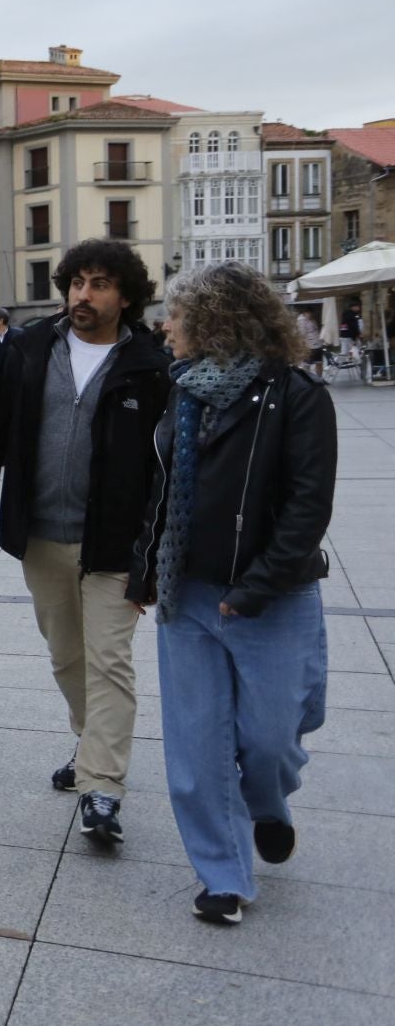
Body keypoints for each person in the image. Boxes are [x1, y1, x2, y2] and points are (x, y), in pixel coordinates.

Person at [127, 263, 335, 925]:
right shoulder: (181, 392)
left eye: (179, 316)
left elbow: (308, 508)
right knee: (195, 748)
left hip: (270, 599)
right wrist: (144, 572)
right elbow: (161, 492)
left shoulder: (296, 396)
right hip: (187, 595)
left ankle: (268, 803)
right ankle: (223, 876)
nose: (168, 327)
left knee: (271, 741)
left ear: (216, 320)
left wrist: (254, 588)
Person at [0, 241, 169, 843]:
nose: (84, 294)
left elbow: (165, 467)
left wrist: (153, 552)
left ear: (125, 296)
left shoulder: (150, 364)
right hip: (43, 535)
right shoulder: (28, 349)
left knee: (109, 662)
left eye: (99, 284)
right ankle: (91, 741)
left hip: (114, 543)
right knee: (68, 657)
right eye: (77, 282)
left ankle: (101, 787)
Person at [295, 308, 323, 380]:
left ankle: (320, 378)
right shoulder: (301, 320)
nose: (311, 315)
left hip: (317, 343)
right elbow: (301, 333)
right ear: (305, 312)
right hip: (308, 345)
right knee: (307, 364)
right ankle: (308, 379)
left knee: (319, 362)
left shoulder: (313, 319)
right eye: (309, 313)